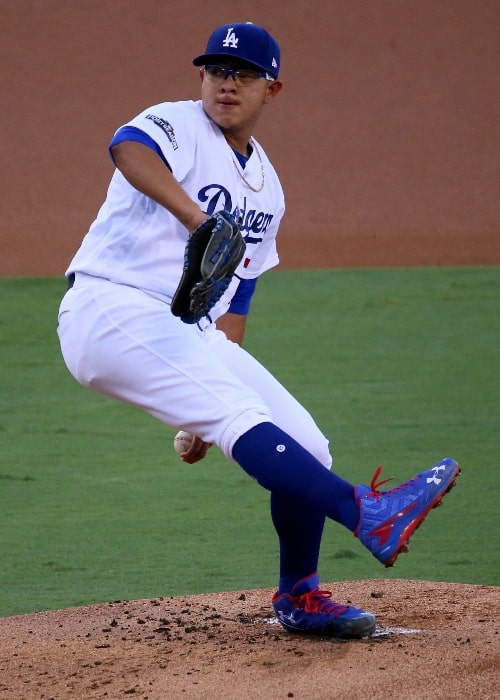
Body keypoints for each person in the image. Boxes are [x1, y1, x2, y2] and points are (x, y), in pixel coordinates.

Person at [57, 22, 460, 639]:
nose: (227, 83)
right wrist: (197, 218)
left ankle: (300, 596)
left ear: (271, 90)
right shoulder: (178, 124)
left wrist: (197, 410)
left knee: (306, 446)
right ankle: (369, 514)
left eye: (244, 74)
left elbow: (233, 308)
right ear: (201, 78)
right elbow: (127, 148)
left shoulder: (266, 188)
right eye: (217, 70)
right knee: (242, 414)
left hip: (186, 331)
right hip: (111, 307)